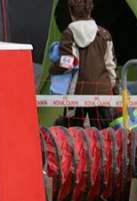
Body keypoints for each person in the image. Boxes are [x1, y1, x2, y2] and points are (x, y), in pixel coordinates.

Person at [50, 0, 117, 129]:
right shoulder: (104, 34)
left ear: (70, 12)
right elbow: (111, 65)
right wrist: (113, 87)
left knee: (73, 134)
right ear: (90, 10)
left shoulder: (68, 34)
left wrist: (53, 69)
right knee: (103, 135)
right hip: (102, 90)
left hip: (77, 91)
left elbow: (67, 63)